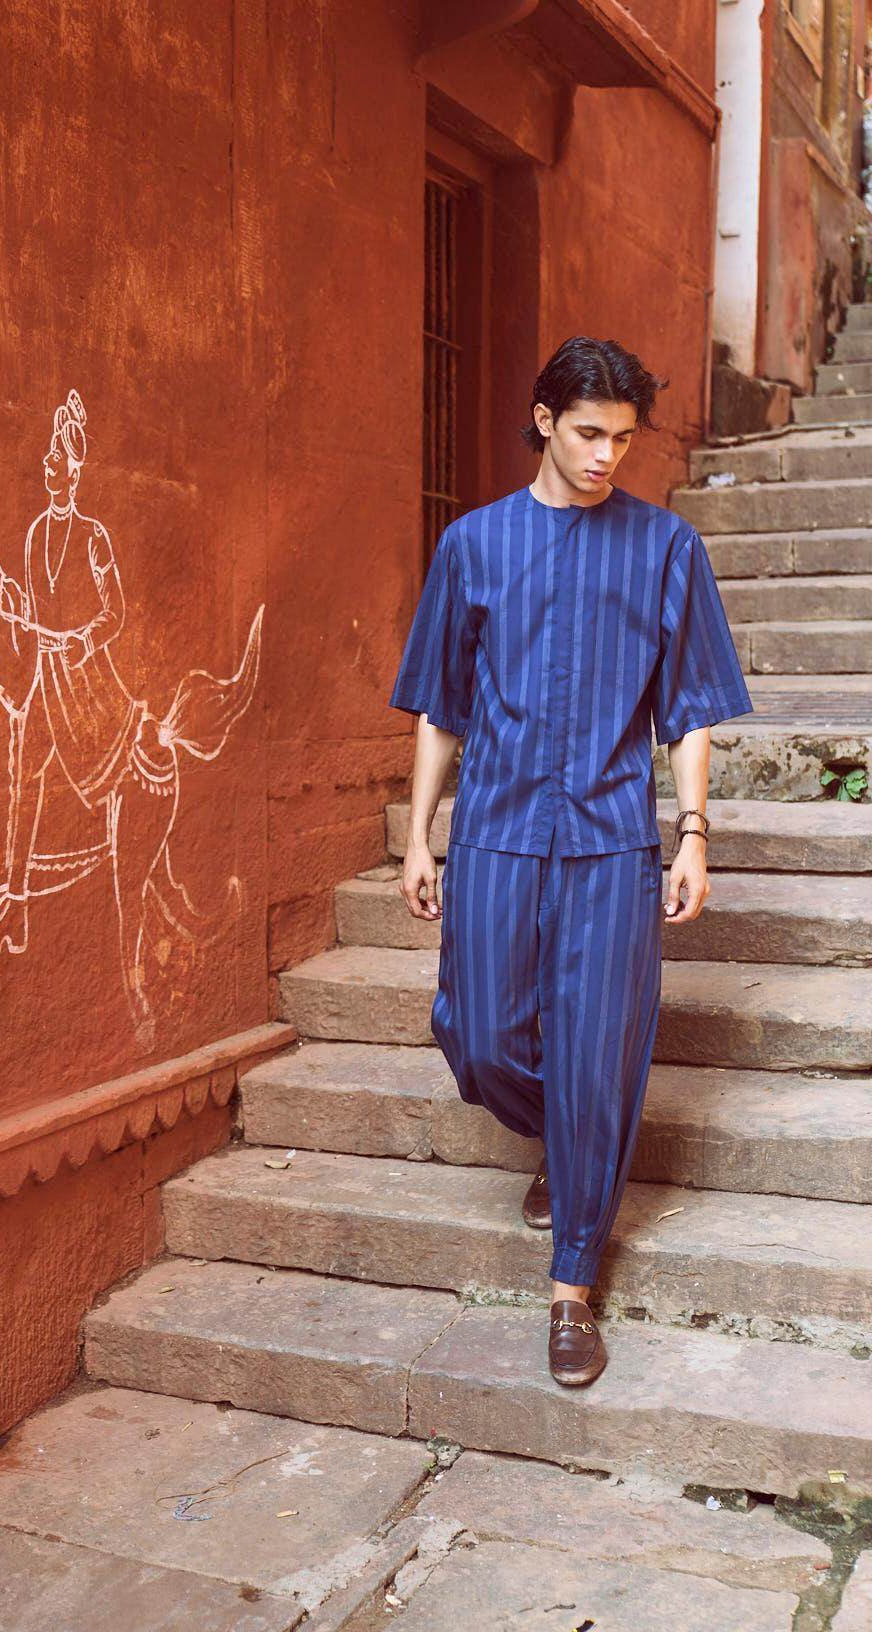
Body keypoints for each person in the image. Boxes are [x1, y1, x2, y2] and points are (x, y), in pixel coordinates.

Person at [388, 336, 754, 1386]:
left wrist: (692, 833)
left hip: (608, 840)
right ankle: (565, 1133)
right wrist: (418, 835)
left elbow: (688, 709)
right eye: (589, 434)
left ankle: (571, 1289)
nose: (606, 457)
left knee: (596, 1054)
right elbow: (441, 707)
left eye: (623, 440)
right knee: (476, 1034)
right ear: (544, 421)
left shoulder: (665, 547)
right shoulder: (472, 545)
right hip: (496, 829)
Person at [0, 389, 139, 973]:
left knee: (109, 781)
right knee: (22, 776)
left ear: (73, 471)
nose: (45, 463)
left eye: (54, 457)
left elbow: (116, 613)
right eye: (46, 456)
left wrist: (81, 639)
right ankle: (14, 906)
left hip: (86, 685)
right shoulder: (35, 533)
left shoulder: (93, 537)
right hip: (45, 683)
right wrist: (17, 612)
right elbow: (34, 613)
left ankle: (116, 876)